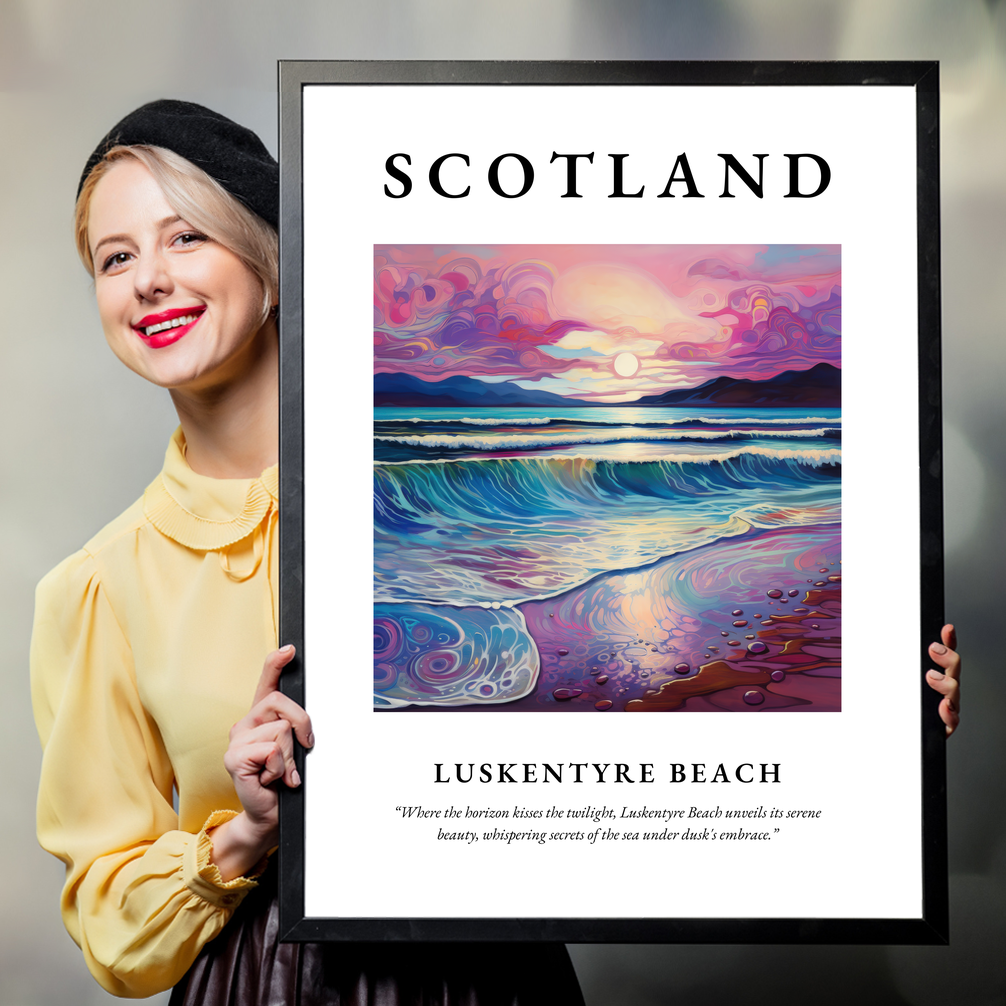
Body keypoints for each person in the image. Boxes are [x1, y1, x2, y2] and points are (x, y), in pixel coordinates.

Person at [30, 100, 586, 1004]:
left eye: (185, 238)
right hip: (264, 981)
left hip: (493, 972)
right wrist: (244, 832)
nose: (148, 281)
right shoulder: (97, 587)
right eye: (116, 257)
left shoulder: (460, 499)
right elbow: (110, 922)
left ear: (272, 262)